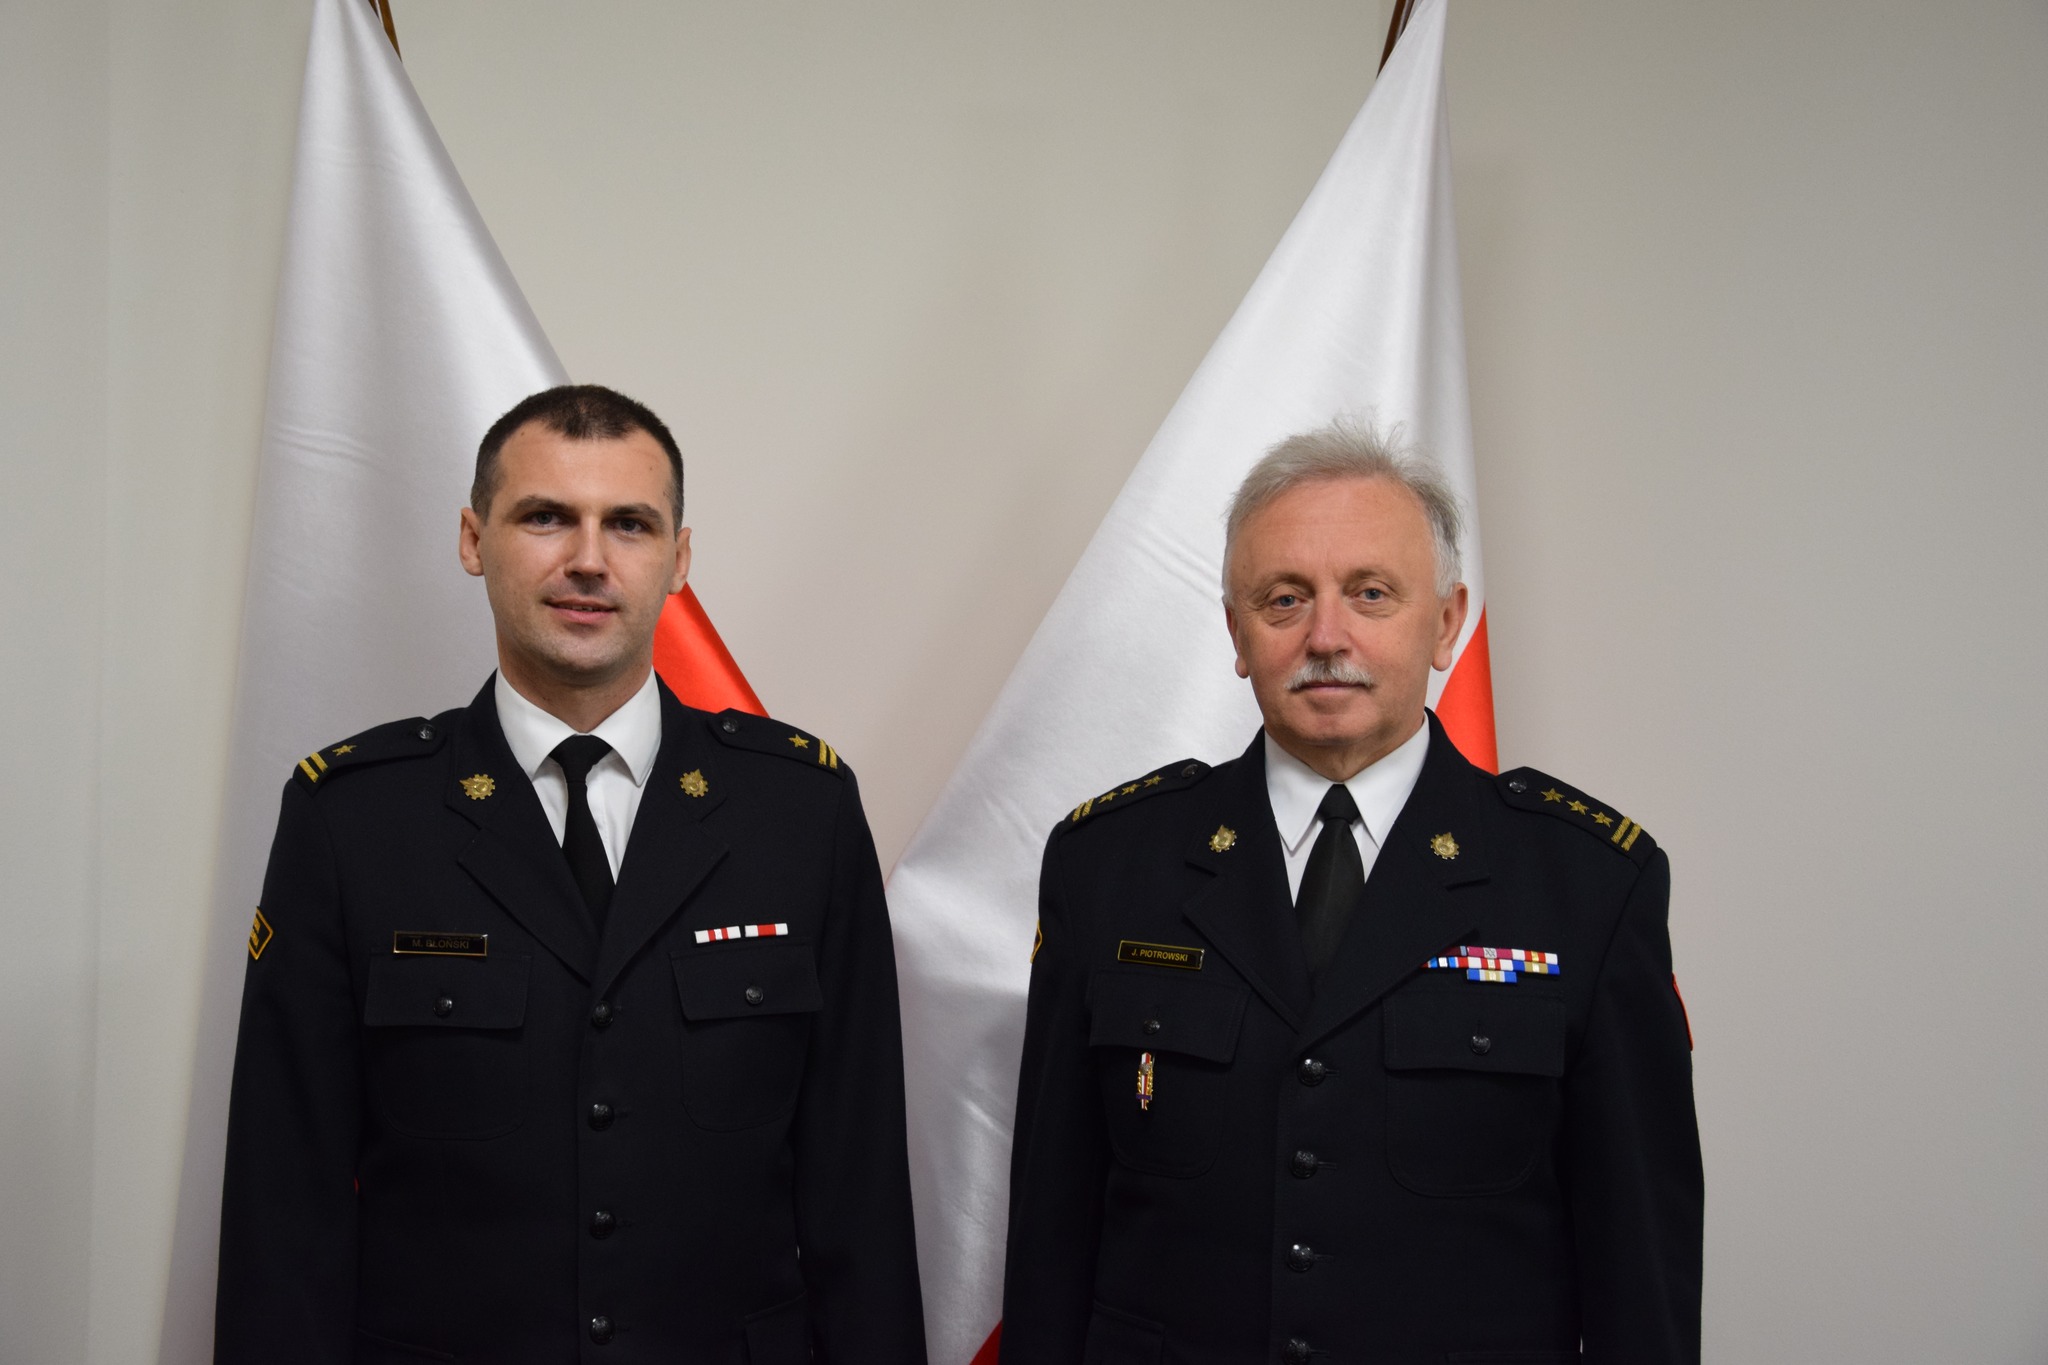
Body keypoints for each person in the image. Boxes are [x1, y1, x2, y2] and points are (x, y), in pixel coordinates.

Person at [216, 385, 927, 1363]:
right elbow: (283, 1211)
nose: (589, 559)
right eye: (546, 517)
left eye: (629, 524)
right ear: (474, 539)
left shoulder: (800, 814)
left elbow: (860, 1199)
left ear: (678, 560)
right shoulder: (352, 821)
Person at [1000, 421, 1702, 1364]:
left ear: (1446, 622)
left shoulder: (1588, 885)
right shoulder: (1108, 867)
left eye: (1370, 593)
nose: (1326, 636)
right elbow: (1049, 1247)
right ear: (1237, 634)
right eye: (1284, 599)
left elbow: (1642, 1281)